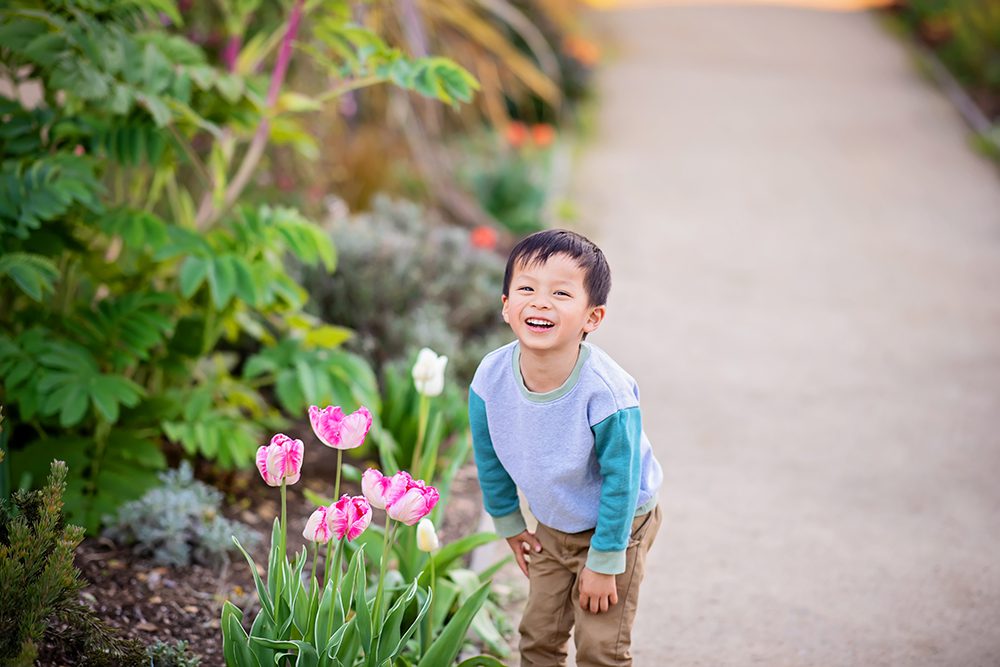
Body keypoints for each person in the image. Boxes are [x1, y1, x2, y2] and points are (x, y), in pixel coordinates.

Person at [469, 229, 664, 667]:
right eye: (527, 289)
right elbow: (490, 457)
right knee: (538, 636)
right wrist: (509, 522)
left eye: (560, 293)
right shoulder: (490, 379)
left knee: (600, 646)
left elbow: (622, 481)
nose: (540, 303)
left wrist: (605, 560)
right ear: (506, 305)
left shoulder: (607, 394)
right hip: (554, 523)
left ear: (592, 317)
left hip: (618, 522)